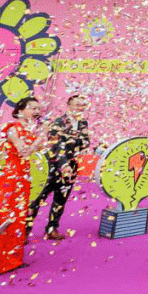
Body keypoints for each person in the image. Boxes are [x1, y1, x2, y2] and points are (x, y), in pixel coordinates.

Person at [0, 97, 44, 278]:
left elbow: (34, 151)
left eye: (38, 108)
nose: (36, 111)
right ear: (20, 110)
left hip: (23, 178)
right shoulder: (13, 128)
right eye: (32, 108)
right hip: (11, 179)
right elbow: (23, 151)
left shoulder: (28, 129)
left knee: (17, 218)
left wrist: (40, 138)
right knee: (4, 217)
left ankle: (12, 259)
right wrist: (41, 138)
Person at [29, 94, 90, 240]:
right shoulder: (58, 122)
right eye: (76, 104)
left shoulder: (83, 123)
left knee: (61, 199)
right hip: (52, 166)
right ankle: (24, 231)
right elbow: (56, 145)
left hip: (72, 166)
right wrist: (64, 163)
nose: (79, 107)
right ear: (68, 105)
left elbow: (86, 143)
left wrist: (72, 142)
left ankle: (52, 229)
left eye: (82, 105)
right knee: (37, 199)